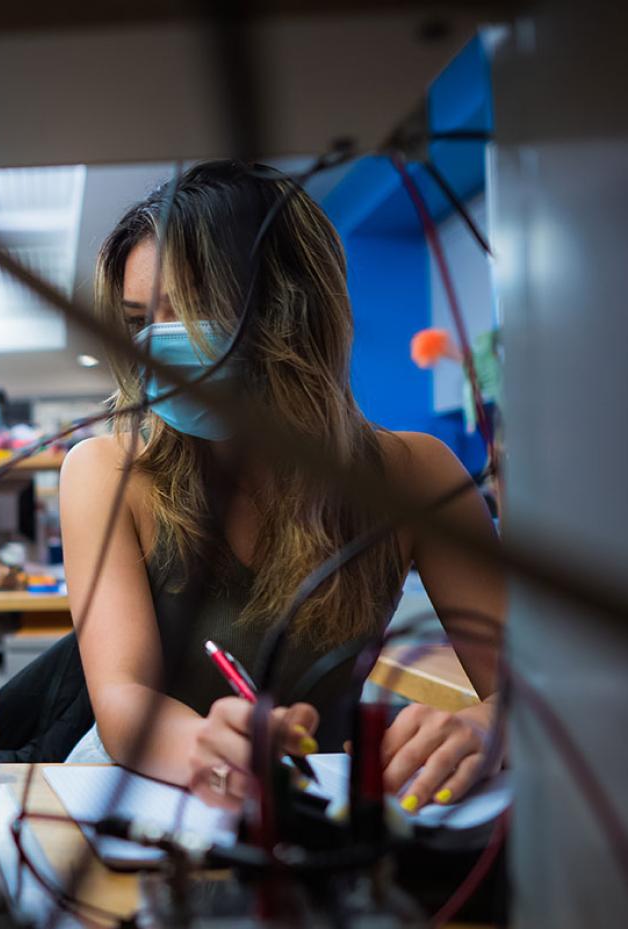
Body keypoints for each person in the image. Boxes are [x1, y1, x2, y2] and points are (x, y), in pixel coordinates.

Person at [60, 162, 504, 813]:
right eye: (139, 320)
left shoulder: (416, 474)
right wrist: (206, 747)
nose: (157, 343)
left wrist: (483, 727)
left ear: (287, 309)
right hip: (152, 797)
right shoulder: (106, 472)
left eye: (192, 312)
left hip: (311, 801)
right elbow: (125, 701)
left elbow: (534, 686)